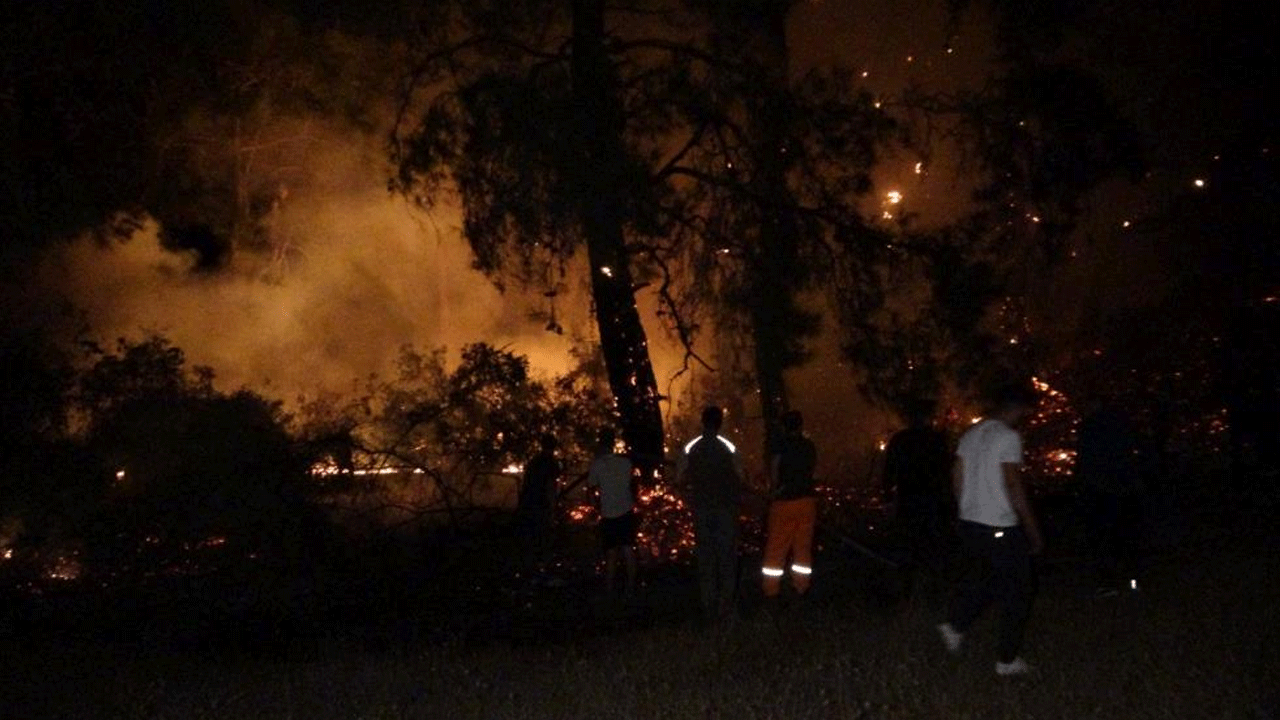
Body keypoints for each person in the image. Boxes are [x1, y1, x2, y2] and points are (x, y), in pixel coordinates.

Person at [937, 383, 1042, 676]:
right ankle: (1006, 660)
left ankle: (955, 625)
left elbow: (956, 474)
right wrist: (1032, 530)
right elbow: (1013, 484)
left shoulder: (971, 433)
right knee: (1020, 591)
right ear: (1018, 409)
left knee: (992, 580)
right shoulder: (1008, 437)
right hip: (1001, 525)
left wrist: (966, 508)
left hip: (972, 524)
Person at [677, 405, 744, 622]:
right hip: (725, 509)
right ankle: (726, 603)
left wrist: (688, 496)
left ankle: (708, 603)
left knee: (706, 557)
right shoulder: (728, 447)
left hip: (702, 509)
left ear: (703, 422)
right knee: (726, 556)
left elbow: (679, 477)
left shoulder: (691, 447)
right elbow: (741, 475)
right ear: (719, 423)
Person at [1076, 398, 1142, 596]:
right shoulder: (1120, 424)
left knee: (1103, 537)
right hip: (1119, 488)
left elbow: (1084, 460)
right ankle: (1130, 580)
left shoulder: (1090, 427)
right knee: (1121, 535)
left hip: (1100, 489)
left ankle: (1109, 582)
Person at [883, 399, 952, 574]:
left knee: (909, 547)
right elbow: (946, 471)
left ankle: (909, 588)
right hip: (933, 501)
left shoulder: (900, 440)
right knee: (933, 547)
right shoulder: (937, 439)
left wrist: (888, 500)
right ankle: (932, 585)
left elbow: (888, 473)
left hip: (908, 500)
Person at [760, 410, 819, 605]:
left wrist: (773, 490)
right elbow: (811, 470)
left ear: (784, 427)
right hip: (807, 502)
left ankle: (771, 591)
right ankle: (801, 587)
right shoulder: (809, 446)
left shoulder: (780, 446)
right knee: (802, 547)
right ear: (800, 425)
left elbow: (776, 471)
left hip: (784, 502)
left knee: (777, 547)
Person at [586, 427, 638, 598]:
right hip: (626, 511)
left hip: (608, 513)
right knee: (628, 549)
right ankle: (630, 587)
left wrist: (595, 508)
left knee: (611, 553)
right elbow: (632, 484)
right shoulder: (625, 463)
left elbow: (591, 488)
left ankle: (609, 589)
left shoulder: (597, 465)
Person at [516, 433, 561, 562]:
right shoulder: (551, 463)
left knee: (531, 537)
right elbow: (550, 487)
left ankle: (531, 565)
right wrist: (552, 509)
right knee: (543, 537)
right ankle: (542, 565)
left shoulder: (534, 461)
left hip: (528, 502)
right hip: (541, 504)